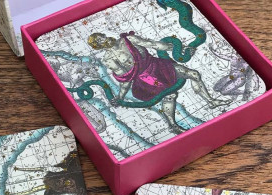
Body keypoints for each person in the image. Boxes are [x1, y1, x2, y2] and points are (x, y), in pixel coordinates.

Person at [87, 31, 226, 133]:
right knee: (170, 96)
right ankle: (172, 125)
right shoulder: (108, 59)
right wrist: (120, 97)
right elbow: (125, 80)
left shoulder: (128, 39)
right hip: (146, 78)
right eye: (99, 41)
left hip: (158, 65)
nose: (103, 39)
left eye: (101, 36)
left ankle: (211, 101)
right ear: (98, 47)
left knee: (193, 74)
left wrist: (179, 48)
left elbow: (154, 44)